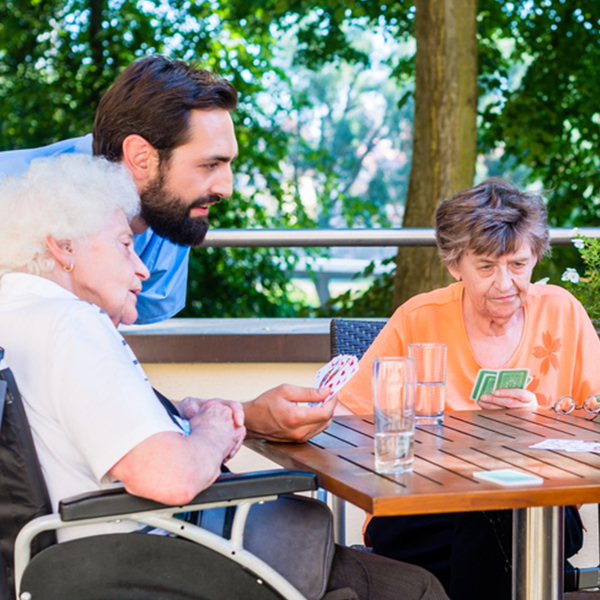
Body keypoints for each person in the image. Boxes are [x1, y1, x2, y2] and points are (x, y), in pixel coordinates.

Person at [0, 154, 449, 600]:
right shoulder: (73, 325)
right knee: (415, 587)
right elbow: (169, 478)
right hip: (153, 564)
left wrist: (181, 416)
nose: (142, 267)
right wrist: (213, 430)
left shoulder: (17, 313)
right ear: (63, 245)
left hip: (75, 563)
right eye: (124, 245)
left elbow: (75, 429)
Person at [0, 54, 339, 445]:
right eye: (210, 165)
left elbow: (96, 395)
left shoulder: (163, 217)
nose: (227, 188)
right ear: (141, 158)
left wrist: (241, 416)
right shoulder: (21, 215)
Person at [338, 177, 600, 599]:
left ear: (536, 257)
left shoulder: (562, 314)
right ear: (453, 264)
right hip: (424, 512)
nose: (504, 284)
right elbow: (351, 417)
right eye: (485, 267)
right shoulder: (419, 318)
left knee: (498, 512)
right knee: (497, 535)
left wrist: (541, 421)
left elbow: (596, 417)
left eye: (518, 265)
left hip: (538, 511)